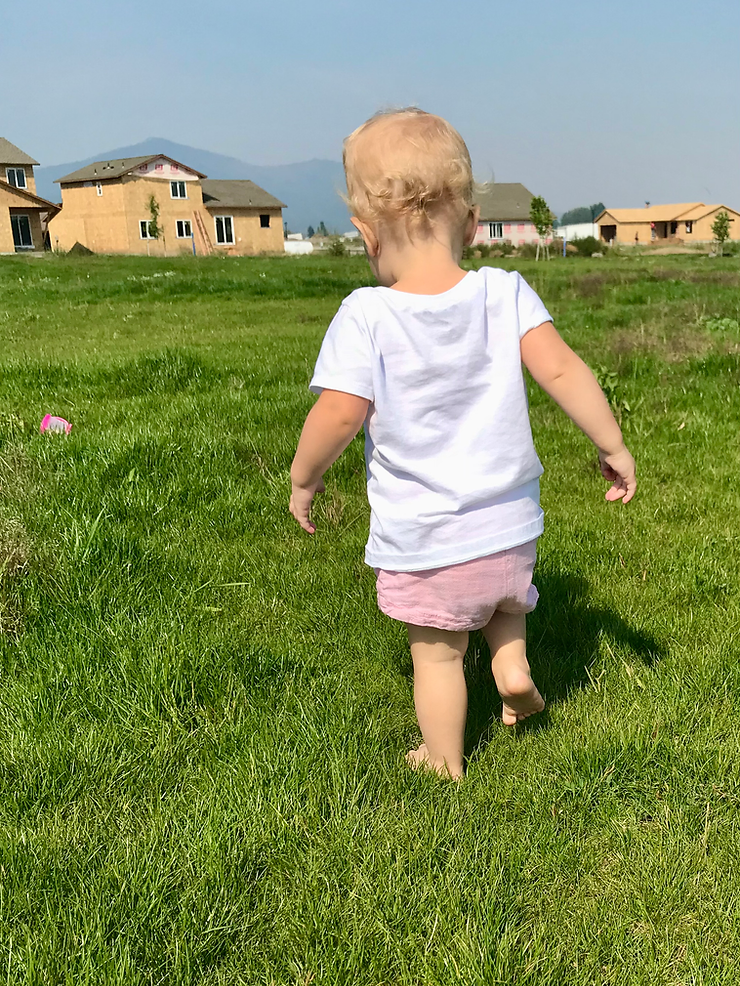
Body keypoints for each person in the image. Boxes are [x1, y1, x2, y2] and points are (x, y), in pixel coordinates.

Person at [289, 109, 636, 780]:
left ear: (364, 234)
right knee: (504, 604)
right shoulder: (505, 292)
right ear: (473, 225)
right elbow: (563, 369)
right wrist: (611, 441)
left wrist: (306, 477)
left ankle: (443, 758)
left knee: (440, 655)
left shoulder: (367, 314)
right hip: (510, 529)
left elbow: (338, 413)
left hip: (429, 540)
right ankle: (510, 665)